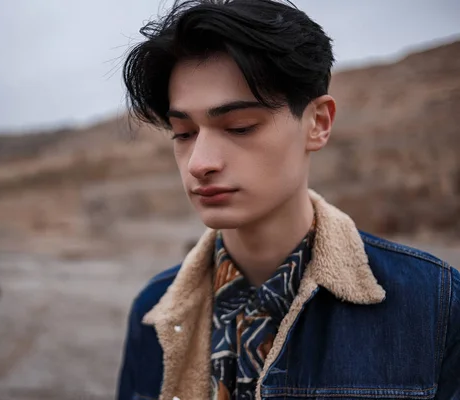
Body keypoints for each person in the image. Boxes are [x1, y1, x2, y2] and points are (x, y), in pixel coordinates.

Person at [117, 1, 460, 399]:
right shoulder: (153, 311)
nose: (199, 163)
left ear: (318, 123)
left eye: (240, 127)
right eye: (183, 133)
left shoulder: (434, 304)